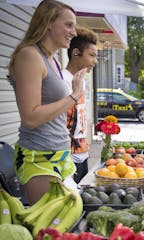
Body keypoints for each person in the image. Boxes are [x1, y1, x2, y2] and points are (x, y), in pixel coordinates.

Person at [8, 0, 86, 205]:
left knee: (66, 226)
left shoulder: (53, 60)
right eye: (68, 25)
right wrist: (73, 96)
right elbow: (31, 117)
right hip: (39, 157)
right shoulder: (29, 56)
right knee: (50, 232)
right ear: (48, 22)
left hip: (60, 154)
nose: (74, 32)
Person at [63, 27, 98, 184]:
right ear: (75, 53)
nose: (95, 61)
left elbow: (80, 117)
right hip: (67, 159)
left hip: (82, 155)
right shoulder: (62, 81)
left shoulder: (82, 81)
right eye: (92, 55)